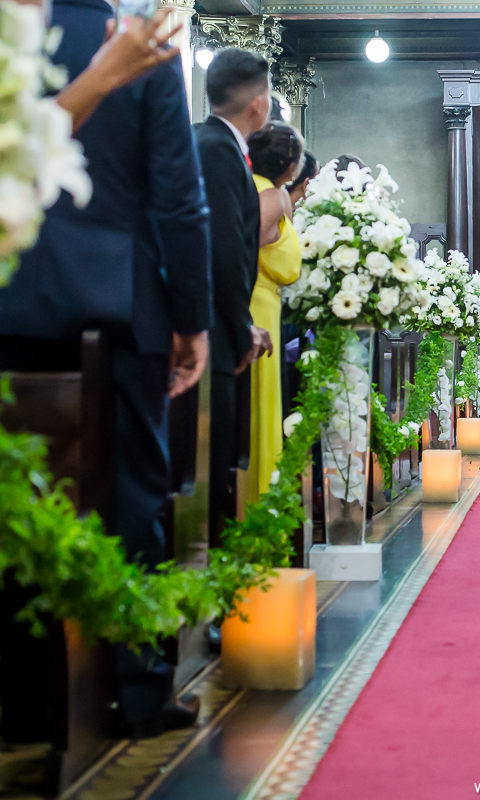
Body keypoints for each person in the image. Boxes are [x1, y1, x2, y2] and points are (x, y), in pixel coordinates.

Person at [0, 0, 211, 739]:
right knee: (131, 496)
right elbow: (178, 193)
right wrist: (193, 318)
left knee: (17, 500)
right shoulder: (135, 42)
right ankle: (137, 692)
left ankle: (31, 701)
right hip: (116, 302)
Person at [195, 48, 273, 544]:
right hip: (215, 328)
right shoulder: (217, 152)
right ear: (259, 106)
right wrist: (240, 324)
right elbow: (224, 248)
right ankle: (210, 563)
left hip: (218, 323)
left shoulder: (209, 143)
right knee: (213, 452)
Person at [245, 122, 304, 502]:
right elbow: (256, 245)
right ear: (291, 166)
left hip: (251, 298)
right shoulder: (272, 196)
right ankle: (258, 499)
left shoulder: (245, 185)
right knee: (261, 409)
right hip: (259, 303)